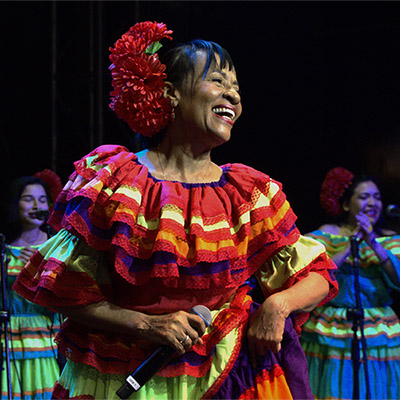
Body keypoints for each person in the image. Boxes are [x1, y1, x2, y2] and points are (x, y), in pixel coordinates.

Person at [13, 21, 338, 399]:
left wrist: (278, 306)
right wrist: (146, 325)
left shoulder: (248, 192)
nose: (232, 96)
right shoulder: (114, 180)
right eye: (218, 81)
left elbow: (316, 275)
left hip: (229, 375)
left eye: (236, 88)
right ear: (170, 93)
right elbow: (66, 290)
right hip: (130, 372)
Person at [301, 166, 400, 400]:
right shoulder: (325, 235)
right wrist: (352, 242)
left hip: (378, 325)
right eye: (364, 197)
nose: (372, 203)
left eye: (377, 197)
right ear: (346, 205)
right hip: (333, 325)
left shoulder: (390, 239)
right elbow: (316, 274)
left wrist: (373, 244)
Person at [0, 170, 63, 399]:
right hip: (8, 343)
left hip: (44, 344)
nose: (37, 204)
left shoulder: (57, 248)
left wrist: (42, 270)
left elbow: (68, 300)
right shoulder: (4, 249)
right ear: (15, 203)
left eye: (42, 199)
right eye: (29, 199)